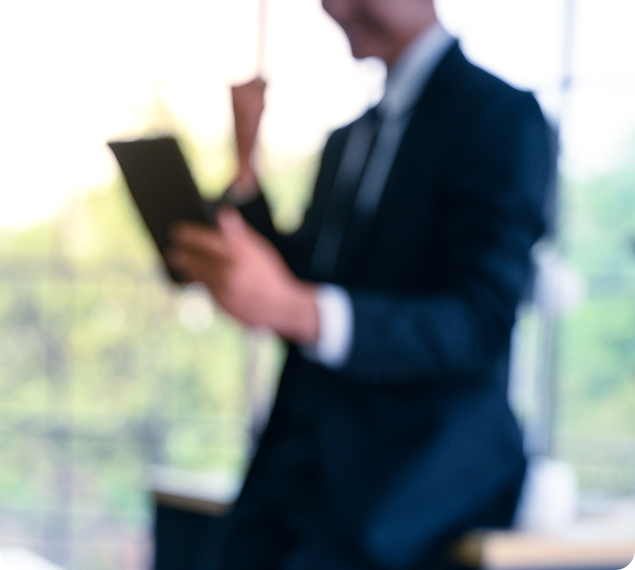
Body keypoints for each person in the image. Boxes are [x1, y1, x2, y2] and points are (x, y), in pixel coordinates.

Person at [167, 0, 553, 568]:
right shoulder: (349, 138)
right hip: (299, 464)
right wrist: (246, 164)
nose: (333, 7)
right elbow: (304, 281)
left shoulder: (499, 118)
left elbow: (479, 322)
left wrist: (299, 310)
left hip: (411, 474)